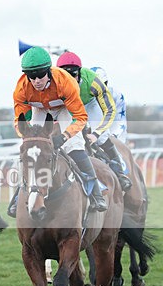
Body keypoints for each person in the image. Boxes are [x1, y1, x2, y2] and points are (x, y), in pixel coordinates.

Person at [8, 47, 108, 217]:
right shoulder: (21, 88)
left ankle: (95, 192)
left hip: (64, 109)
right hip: (39, 110)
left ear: (49, 71)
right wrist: (29, 137)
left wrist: (64, 136)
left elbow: (80, 117)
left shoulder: (65, 82)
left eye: (40, 74)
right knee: (30, 151)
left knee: (74, 146)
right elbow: (21, 120)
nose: (36, 80)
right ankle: (18, 196)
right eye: (31, 76)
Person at [56, 52, 132, 191]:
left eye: (73, 75)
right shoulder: (53, 82)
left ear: (79, 72)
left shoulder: (93, 81)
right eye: (65, 77)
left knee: (102, 137)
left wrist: (96, 134)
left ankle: (120, 173)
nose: (70, 80)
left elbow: (109, 110)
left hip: (88, 103)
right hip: (67, 106)